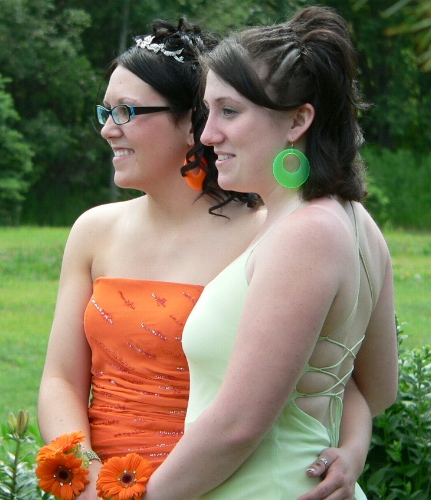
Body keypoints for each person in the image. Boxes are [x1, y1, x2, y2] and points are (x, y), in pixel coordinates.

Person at [37, 16, 380, 500]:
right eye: (105, 111)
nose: (108, 129)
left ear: (190, 123)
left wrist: (351, 448)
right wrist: (86, 476)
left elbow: (338, 372)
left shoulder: (271, 234)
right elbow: (59, 378)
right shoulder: (93, 231)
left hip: (206, 482)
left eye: (127, 111)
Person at [142, 7, 398, 500]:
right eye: (208, 110)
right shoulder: (354, 222)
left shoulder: (305, 234)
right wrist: (352, 447)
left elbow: (237, 425)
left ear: (299, 120)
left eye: (230, 111)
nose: (207, 134)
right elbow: (378, 387)